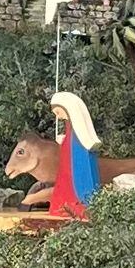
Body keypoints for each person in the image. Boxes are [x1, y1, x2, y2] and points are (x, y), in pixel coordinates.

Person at [46, 90, 103, 219]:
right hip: (67, 167)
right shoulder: (71, 126)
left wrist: (66, 141)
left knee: (72, 186)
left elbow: (78, 152)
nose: (58, 116)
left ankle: (77, 206)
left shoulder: (78, 131)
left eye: (58, 112)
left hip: (73, 166)